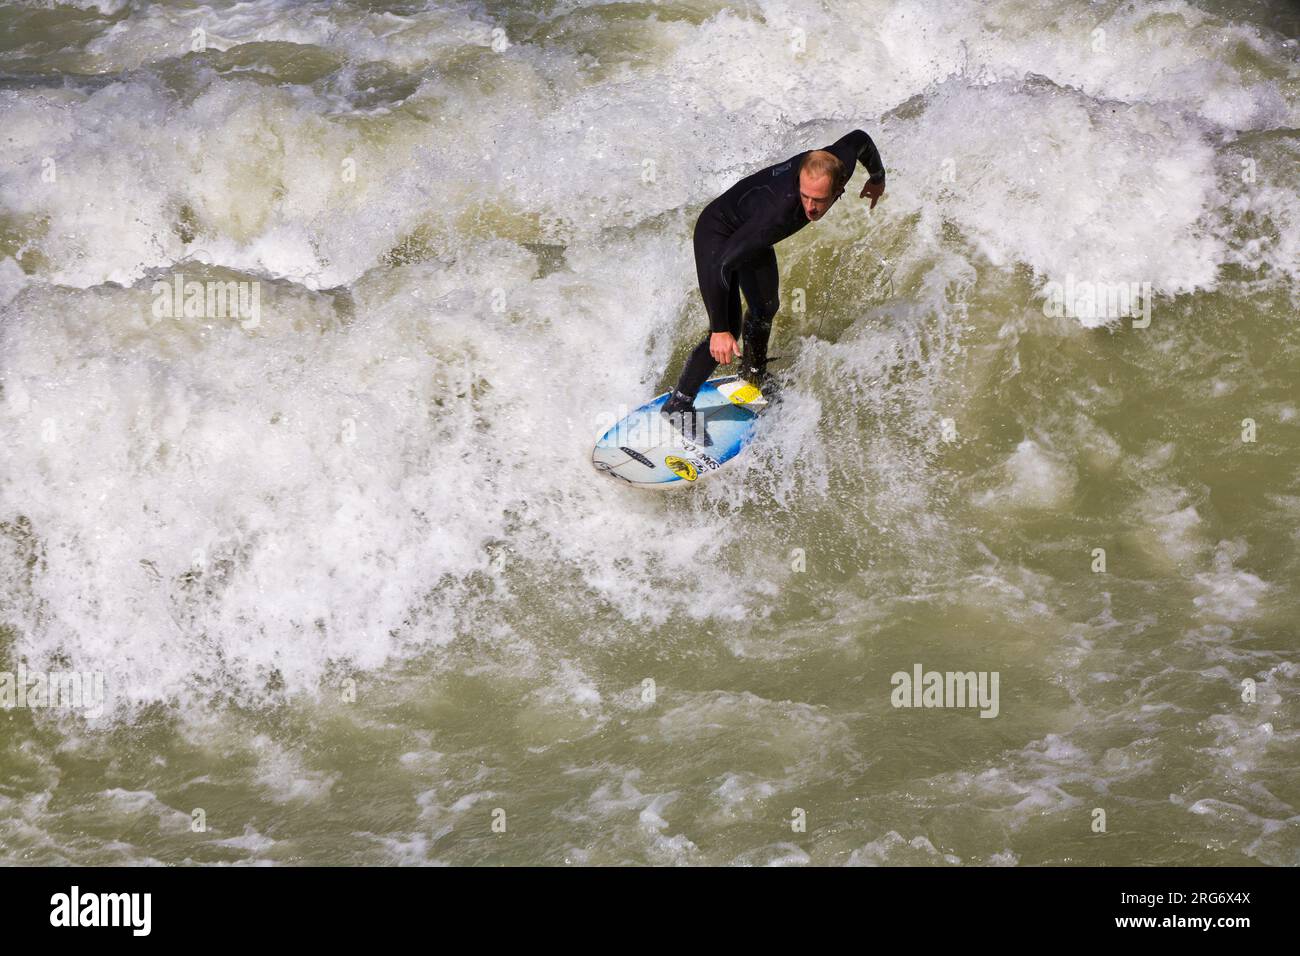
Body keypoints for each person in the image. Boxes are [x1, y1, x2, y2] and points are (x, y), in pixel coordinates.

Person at [661, 129, 886, 444]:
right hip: (719, 236)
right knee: (730, 330)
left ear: (839, 186)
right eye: (805, 196)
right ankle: (678, 403)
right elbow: (722, 265)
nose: (810, 207)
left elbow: (859, 139)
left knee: (766, 307)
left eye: (819, 200)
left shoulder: (838, 162)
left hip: (750, 234)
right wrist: (720, 329)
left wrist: (877, 176)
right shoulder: (778, 213)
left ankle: (752, 375)